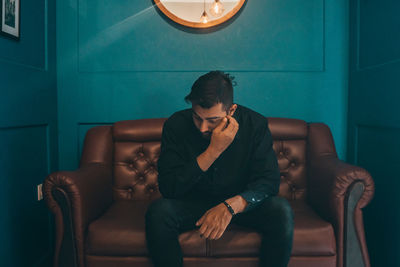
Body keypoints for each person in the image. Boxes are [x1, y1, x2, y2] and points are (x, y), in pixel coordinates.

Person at [145, 71, 294, 267]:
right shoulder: (176, 125)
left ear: (231, 110)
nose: (203, 128)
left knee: (281, 210)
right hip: (194, 204)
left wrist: (231, 207)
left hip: (239, 205)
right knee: (159, 212)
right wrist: (213, 151)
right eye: (197, 118)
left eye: (212, 120)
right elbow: (169, 188)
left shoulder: (255, 124)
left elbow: (269, 182)